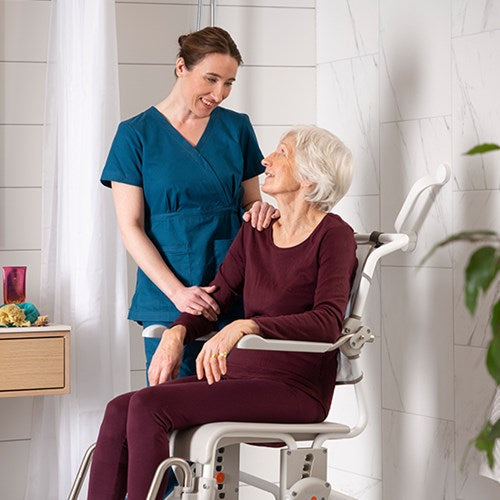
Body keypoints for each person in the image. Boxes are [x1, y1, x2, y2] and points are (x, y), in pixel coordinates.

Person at [88, 125, 358, 500]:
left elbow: (328, 322)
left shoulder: (334, 235)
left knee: (150, 405)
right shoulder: (258, 231)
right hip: (240, 377)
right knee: (120, 408)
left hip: (295, 388)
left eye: (282, 152)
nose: (267, 159)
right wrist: (177, 332)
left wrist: (249, 326)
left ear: (310, 179)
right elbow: (218, 297)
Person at [100, 26, 278, 382]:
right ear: (181, 67)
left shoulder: (237, 128)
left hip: (234, 285)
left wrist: (260, 210)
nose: (219, 93)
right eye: (211, 79)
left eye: (228, 83)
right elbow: (130, 226)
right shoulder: (135, 135)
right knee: (168, 409)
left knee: (231, 411)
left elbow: (251, 201)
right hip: (168, 292)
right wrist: (177, 293)